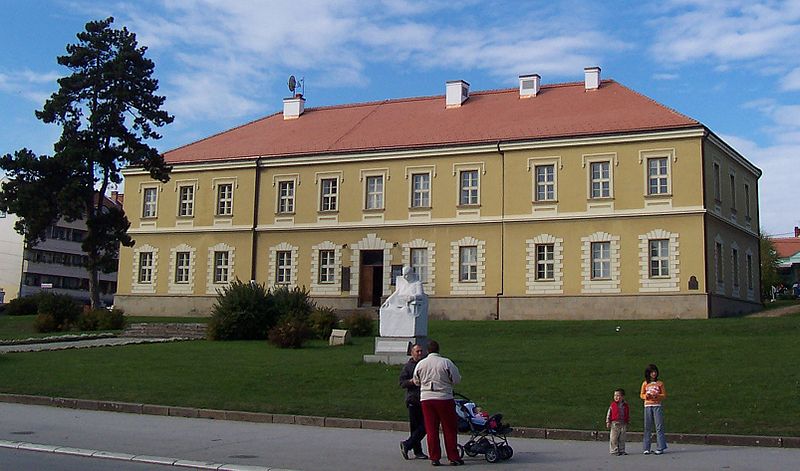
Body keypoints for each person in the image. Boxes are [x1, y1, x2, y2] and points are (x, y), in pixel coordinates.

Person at [413, 340, 464, 466]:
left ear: (427, 350)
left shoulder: (421, 364)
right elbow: (457, 379)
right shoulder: (446, 362)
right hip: (444, 398)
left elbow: (416, 381)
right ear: (438, 350)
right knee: (449, 428)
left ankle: (434, 457)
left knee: (431, 429)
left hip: (426, 398)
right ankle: (453, 456)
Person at [399, 343, 428, 460]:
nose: (420, 353)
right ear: (412, 353)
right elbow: (402, 382)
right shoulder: (408, 367)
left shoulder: (425, 364)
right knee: (416, 427)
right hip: (413, 400)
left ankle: (408, 444)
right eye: (417, 351)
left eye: (421, 351)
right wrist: (412, 381)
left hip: (425, 399)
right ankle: (417, 450)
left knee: (425, 426)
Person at [640, 364, 667, 455]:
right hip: (648, 406)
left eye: (655, 372)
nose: (654, 374)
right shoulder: (645, 383)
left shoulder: (660, 383)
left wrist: (657, 396)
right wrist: (646, 396)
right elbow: (641, 394)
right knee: (647, 427)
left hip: (657, 405)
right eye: (652, 372)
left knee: (659, 427)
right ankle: (646, 448)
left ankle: (660, 447)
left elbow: (664, 395)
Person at [605, 388, 630, 455]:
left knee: (622, 438)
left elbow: (627, 413)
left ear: (622, 397)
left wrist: (627, 421)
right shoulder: (613, 405)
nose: (616, 397)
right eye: (615, 395)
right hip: (615, 424)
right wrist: (608, 421)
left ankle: (622, 450)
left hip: (623, 423)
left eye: (618, 395)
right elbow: (609, 413)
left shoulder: (625, 405)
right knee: (614, 438)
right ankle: (614, 450)